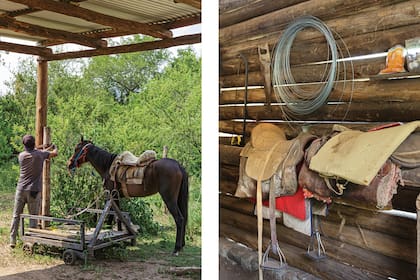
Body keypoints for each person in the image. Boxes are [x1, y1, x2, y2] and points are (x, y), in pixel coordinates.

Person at [9, 134, 58, 248]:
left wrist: (44, 148)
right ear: (34, 144)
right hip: (34, 191)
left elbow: (36, 151)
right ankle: (31, 241)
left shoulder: (21, 156)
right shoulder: (40, 155)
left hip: (21, 189)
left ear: (24, 145)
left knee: (16, 216)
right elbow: (54, 153)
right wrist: (54, 147)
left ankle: (12, 240)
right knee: (33, 216)